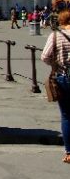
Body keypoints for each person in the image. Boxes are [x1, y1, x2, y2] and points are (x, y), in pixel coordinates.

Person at [41, 10, 70, 165]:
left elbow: (44, 56)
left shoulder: (56, 36)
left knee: (66, 116)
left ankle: (69, 153)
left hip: (63, 77)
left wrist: (56, 65)